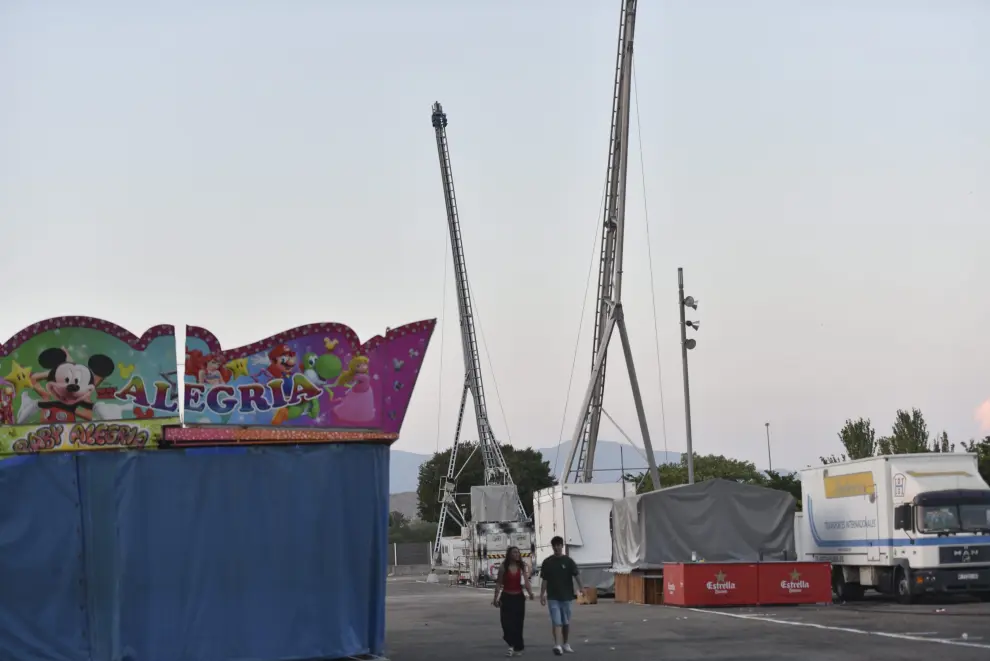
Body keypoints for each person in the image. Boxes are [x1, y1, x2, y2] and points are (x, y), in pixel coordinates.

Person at [539, 536, 583, 655]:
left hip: (567, 596)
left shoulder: (568, 561)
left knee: (565, 622)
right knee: (556, 621)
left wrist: (581, 587)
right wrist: (542, 594)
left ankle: (566, 643)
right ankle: (557, 645)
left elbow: (576, 574)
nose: (557, 547)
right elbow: (544, 579)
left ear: (562, 546)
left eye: (559, 545)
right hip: (553, 596)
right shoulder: (547, 562)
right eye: (555, 545)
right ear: (552, 547)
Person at [493, 546, 533, 657]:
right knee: (506, 623)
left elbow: (526, 582)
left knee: (518, 623)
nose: (516, 554)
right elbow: (498, 583)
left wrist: (530, 593)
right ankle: (511, 642)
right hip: (506, 598)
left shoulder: (521, 567)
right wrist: (495, 598)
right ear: (509, 554)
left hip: (519, 598)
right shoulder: (503, 567)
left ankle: (516, 647)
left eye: (517, 553)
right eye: (514, 552)